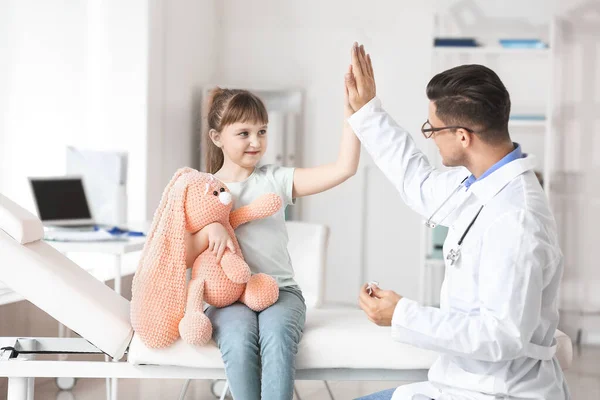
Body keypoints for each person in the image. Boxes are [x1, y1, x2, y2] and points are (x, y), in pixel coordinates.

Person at [346, 43, 570, 400]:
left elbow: (503, 336)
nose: (431, 138)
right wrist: (368, 112)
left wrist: (403, 314)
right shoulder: (480, 185)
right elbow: (416, 181)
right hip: (461, 383)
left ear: (462, 136)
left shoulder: (516, 219)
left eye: (433, 129)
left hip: (500, 392)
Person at [184, 81, 360, 400]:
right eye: (244, 133)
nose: (256, 142)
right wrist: (210, 231)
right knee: (238, 340)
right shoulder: (200, 189)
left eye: (262, 131)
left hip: (280, 292)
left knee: (277, 336)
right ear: (216, 137)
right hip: (226, 299)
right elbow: (180, 255)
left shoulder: (274, 180)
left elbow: (344, 169)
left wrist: (353, 114)